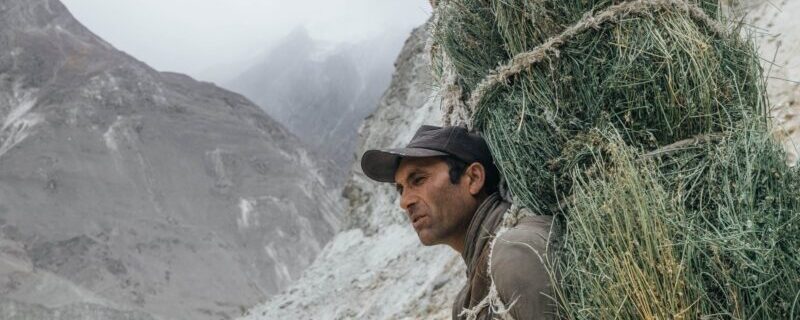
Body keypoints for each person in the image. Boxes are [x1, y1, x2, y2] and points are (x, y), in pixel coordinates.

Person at [360, 125, 559, 320]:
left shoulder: (515, 254)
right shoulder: (467, 298)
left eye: (418, 180)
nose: (404, 202)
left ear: (473, 178)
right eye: (401, 189)